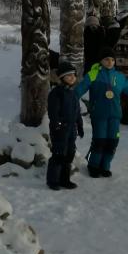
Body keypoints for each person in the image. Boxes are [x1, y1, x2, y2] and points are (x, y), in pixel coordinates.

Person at [76, 47, 128, 177]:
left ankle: (105, 166)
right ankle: (93, 165)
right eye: (106, 59)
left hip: (115, 115)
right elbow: (79, 90)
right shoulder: (93, 74)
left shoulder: (119, 77)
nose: (110, 62)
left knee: (112, 141)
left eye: (112, 60)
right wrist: (67, 100)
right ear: (101, 61)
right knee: (99, 141)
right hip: (99, 114)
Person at [46, 62, 84, 191]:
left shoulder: (73, 94)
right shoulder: (56, 93)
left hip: (71, 129)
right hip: (60, 129)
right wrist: (57, 124)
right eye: (68, 76)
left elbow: (77, 112)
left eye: (73, 75)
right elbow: (53, 112)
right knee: (59, 154)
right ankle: (53, 180)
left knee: (69, 154)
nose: (72, 78)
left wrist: (80, 125)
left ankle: (64, 179)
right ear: (62, 78)